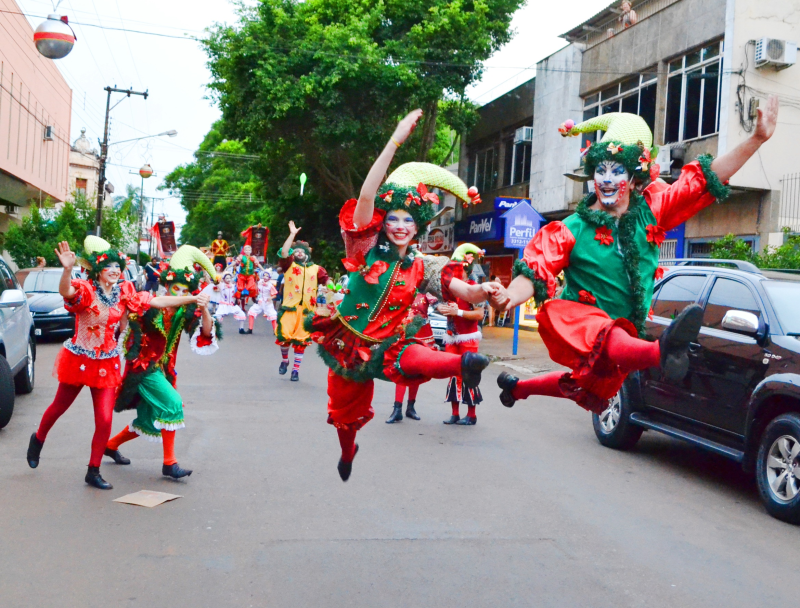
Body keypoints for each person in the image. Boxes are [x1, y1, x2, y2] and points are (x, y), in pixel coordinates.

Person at [484, 99, 779, 413]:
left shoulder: (652, 211)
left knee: (582, 388)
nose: (611, 181)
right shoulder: (570, 229)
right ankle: (660, 352)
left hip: (625, 332)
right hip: (581, 321)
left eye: (621, 173)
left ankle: (516, 388)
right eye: (603, 172)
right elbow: (535, 268)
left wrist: (755, 139)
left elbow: (701, 180)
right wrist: (508, 297)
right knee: (607, 332)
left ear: (636, 179)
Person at [308, 109, 497, 482]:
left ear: (418, 225)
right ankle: (347, 452)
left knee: (418, 356)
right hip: (350, 344)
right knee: (345, 418)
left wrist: (486, 290)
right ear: (384, 220)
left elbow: (466, 292)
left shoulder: (422, 264)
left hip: (392, 343)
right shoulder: (364, 246)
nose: (399, 226)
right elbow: (365, 193)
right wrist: (395, 140)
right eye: (393, 218)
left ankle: (464, 366)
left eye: (408, 220)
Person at [26, 237, 199, 490]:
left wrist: (190, 299)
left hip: (107, 363)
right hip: (80, 360)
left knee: (105, 420)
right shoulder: (86, 290)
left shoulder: (124, 293)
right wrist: (65, 270)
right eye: (111, 267)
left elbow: (155, 301)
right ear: (99, 271)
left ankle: (93, 470)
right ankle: (38, 438)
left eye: (119, 267)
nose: (116, 271)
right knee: (58, 408)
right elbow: (66, 292)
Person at [106, 246, 221, 480]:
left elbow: (206, 333)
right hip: (143, 367)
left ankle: (110, 445)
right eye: (176, 288)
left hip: (164, 369)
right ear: (167, 285)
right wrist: (191, 297)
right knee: (172, 404)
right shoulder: (148, 298)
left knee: (148, 419)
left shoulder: (185, 311)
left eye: (184, 289)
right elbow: (157, 302)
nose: (179, 293)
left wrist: (203, 309)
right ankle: (169, 463)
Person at [275, 222, 329, 381]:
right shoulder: (288, 265)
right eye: (296, 250)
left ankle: (295, 371)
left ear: (307, 253)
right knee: (284, 338)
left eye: (301, 250)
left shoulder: (317, 269)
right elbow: (284, 252)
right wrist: (292, 234)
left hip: (307, 311)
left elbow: (327, 281)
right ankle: (285, 360)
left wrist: (333, 288)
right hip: (289, 309)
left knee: (301, 342)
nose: (298, 252)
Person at [440, 244, 486, 426]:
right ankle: (455, 413)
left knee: (469, 374)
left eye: (456, 270)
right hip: (452, 336)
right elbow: (438, 303)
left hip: (469, 337)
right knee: (452, 373)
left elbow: (479, 314)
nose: (453, 274)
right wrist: (441, 308)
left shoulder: (475, 288)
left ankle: (471, 414)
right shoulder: (449, 289)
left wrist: (458, 312)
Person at [386, 291, 437, 424]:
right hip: (405, 333)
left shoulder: (427, 294)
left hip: (422, 334)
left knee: (416, 371)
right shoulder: (404, 289)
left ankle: (410, 407)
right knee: (401, 368)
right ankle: (397, 409)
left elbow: (439, 304)